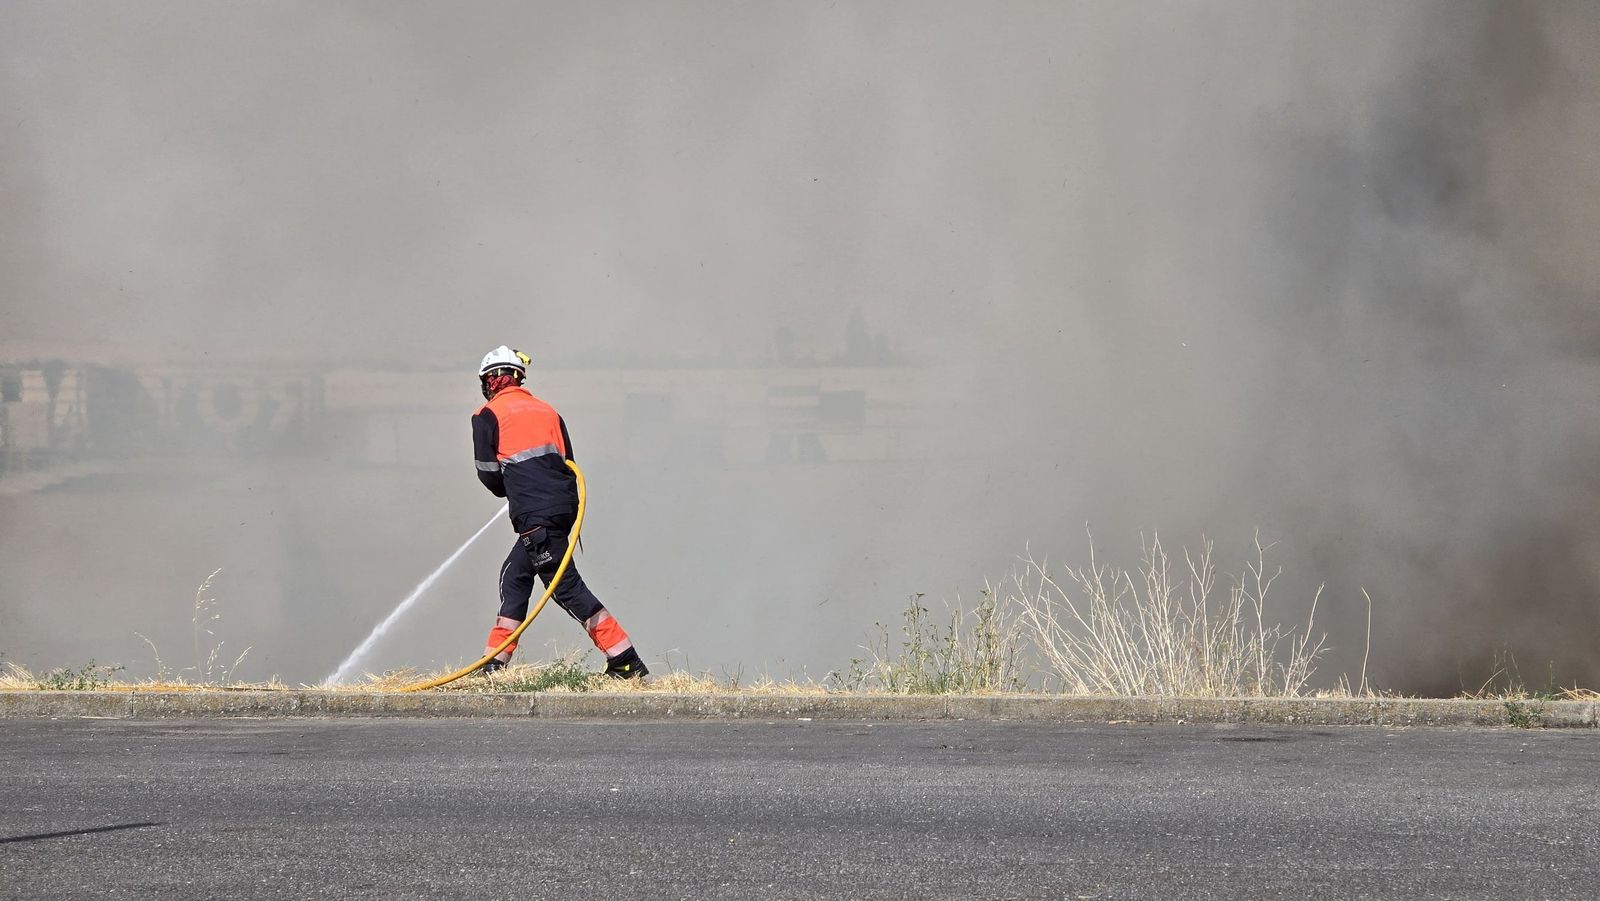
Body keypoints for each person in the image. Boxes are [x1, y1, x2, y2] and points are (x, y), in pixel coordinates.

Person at [470, 345, 648, 679]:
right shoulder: (548, 411)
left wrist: (516, 490)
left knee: (565, 587)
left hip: (535, 515)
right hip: (563, 508)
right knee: (516, 576)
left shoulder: (487, 415)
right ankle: (494, 663)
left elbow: (489, 474)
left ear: (493, 379)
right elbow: (567, 462)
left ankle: (625, 660)